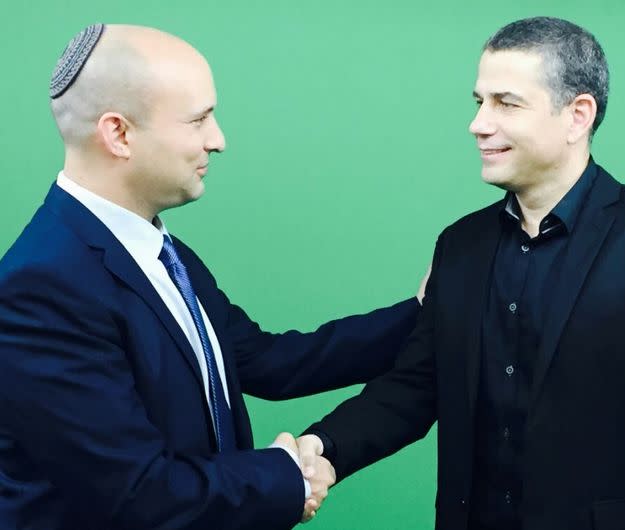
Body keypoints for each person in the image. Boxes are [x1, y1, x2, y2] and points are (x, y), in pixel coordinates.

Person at [298, 16, 625, 530]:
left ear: (577, 116)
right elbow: (415, 387)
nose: (478, 124)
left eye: (506, 104)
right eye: (479, 102)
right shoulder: (460, 245)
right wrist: (324, 448)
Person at [0, 24, 428, 529]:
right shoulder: (41, 288)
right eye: (198, 119)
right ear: (119, 134)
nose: (218, 140)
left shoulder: (159, 251)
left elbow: (266, 361)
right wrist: (289, 478)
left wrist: (425, 313)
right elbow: (138, 493)